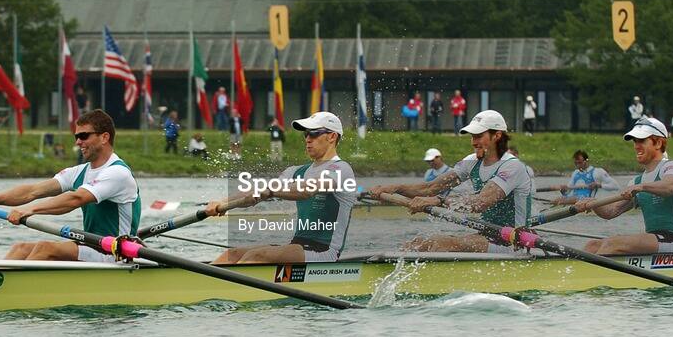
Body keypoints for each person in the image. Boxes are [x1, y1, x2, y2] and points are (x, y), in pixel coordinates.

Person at [0, 110, 140, 261]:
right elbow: (32, 191)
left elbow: (76, 199)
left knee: (44, 248)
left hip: (117, 253)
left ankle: (14, 293)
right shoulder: (79, 172)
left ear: (104, 137)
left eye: (83, 136)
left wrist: (29, 211)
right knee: (21, 248)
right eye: (76, 137)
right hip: (92, 246)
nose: (78, 142)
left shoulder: (117, 173)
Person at [366, 110, 533, 253]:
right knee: (418, 244)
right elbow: (431, 187)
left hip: (515, 243)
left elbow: (481, 203)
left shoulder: (512, 167)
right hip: (488, 236)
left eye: (479, 136)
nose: (473, 142)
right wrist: (394, 188)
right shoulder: (471, 161)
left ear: (497, 135)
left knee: (441, 243)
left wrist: (439, 201)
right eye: (472, 137)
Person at [205, 112, 355, 264]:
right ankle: (205, 284)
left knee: (256, 256)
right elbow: (260, 188)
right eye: (306, 134)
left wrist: (271, 192)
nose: (308, 139)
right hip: (298, 247)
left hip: (324, 252)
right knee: (232, 254)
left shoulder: (341, 169)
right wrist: (222, 202)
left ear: (332, 137)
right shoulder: (296, 171)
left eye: (314, 133)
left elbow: (307, 190)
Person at [574, 117, 673, 255]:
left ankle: (599, 274)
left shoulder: (672, 167)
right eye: (635, 141)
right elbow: (612, 211)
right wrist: (594, 203)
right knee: (592, 245)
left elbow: (670, 187)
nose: (636, 146)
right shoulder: (636, 182)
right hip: (655, 240)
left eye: (642, 140)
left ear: (658, 143)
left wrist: (641, 187)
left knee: (612, 244)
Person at [551, 150, 620, 206]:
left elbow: (615, 186)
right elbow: (568, 192)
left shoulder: (598, 172)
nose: (578, 166)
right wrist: (563, 190)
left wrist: (599, 185)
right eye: (576, 163)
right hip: (575, 201)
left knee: (564, 200)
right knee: (556, 200)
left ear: (586, 161)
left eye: (580, 163)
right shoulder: (575, 173)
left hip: (587, 201)